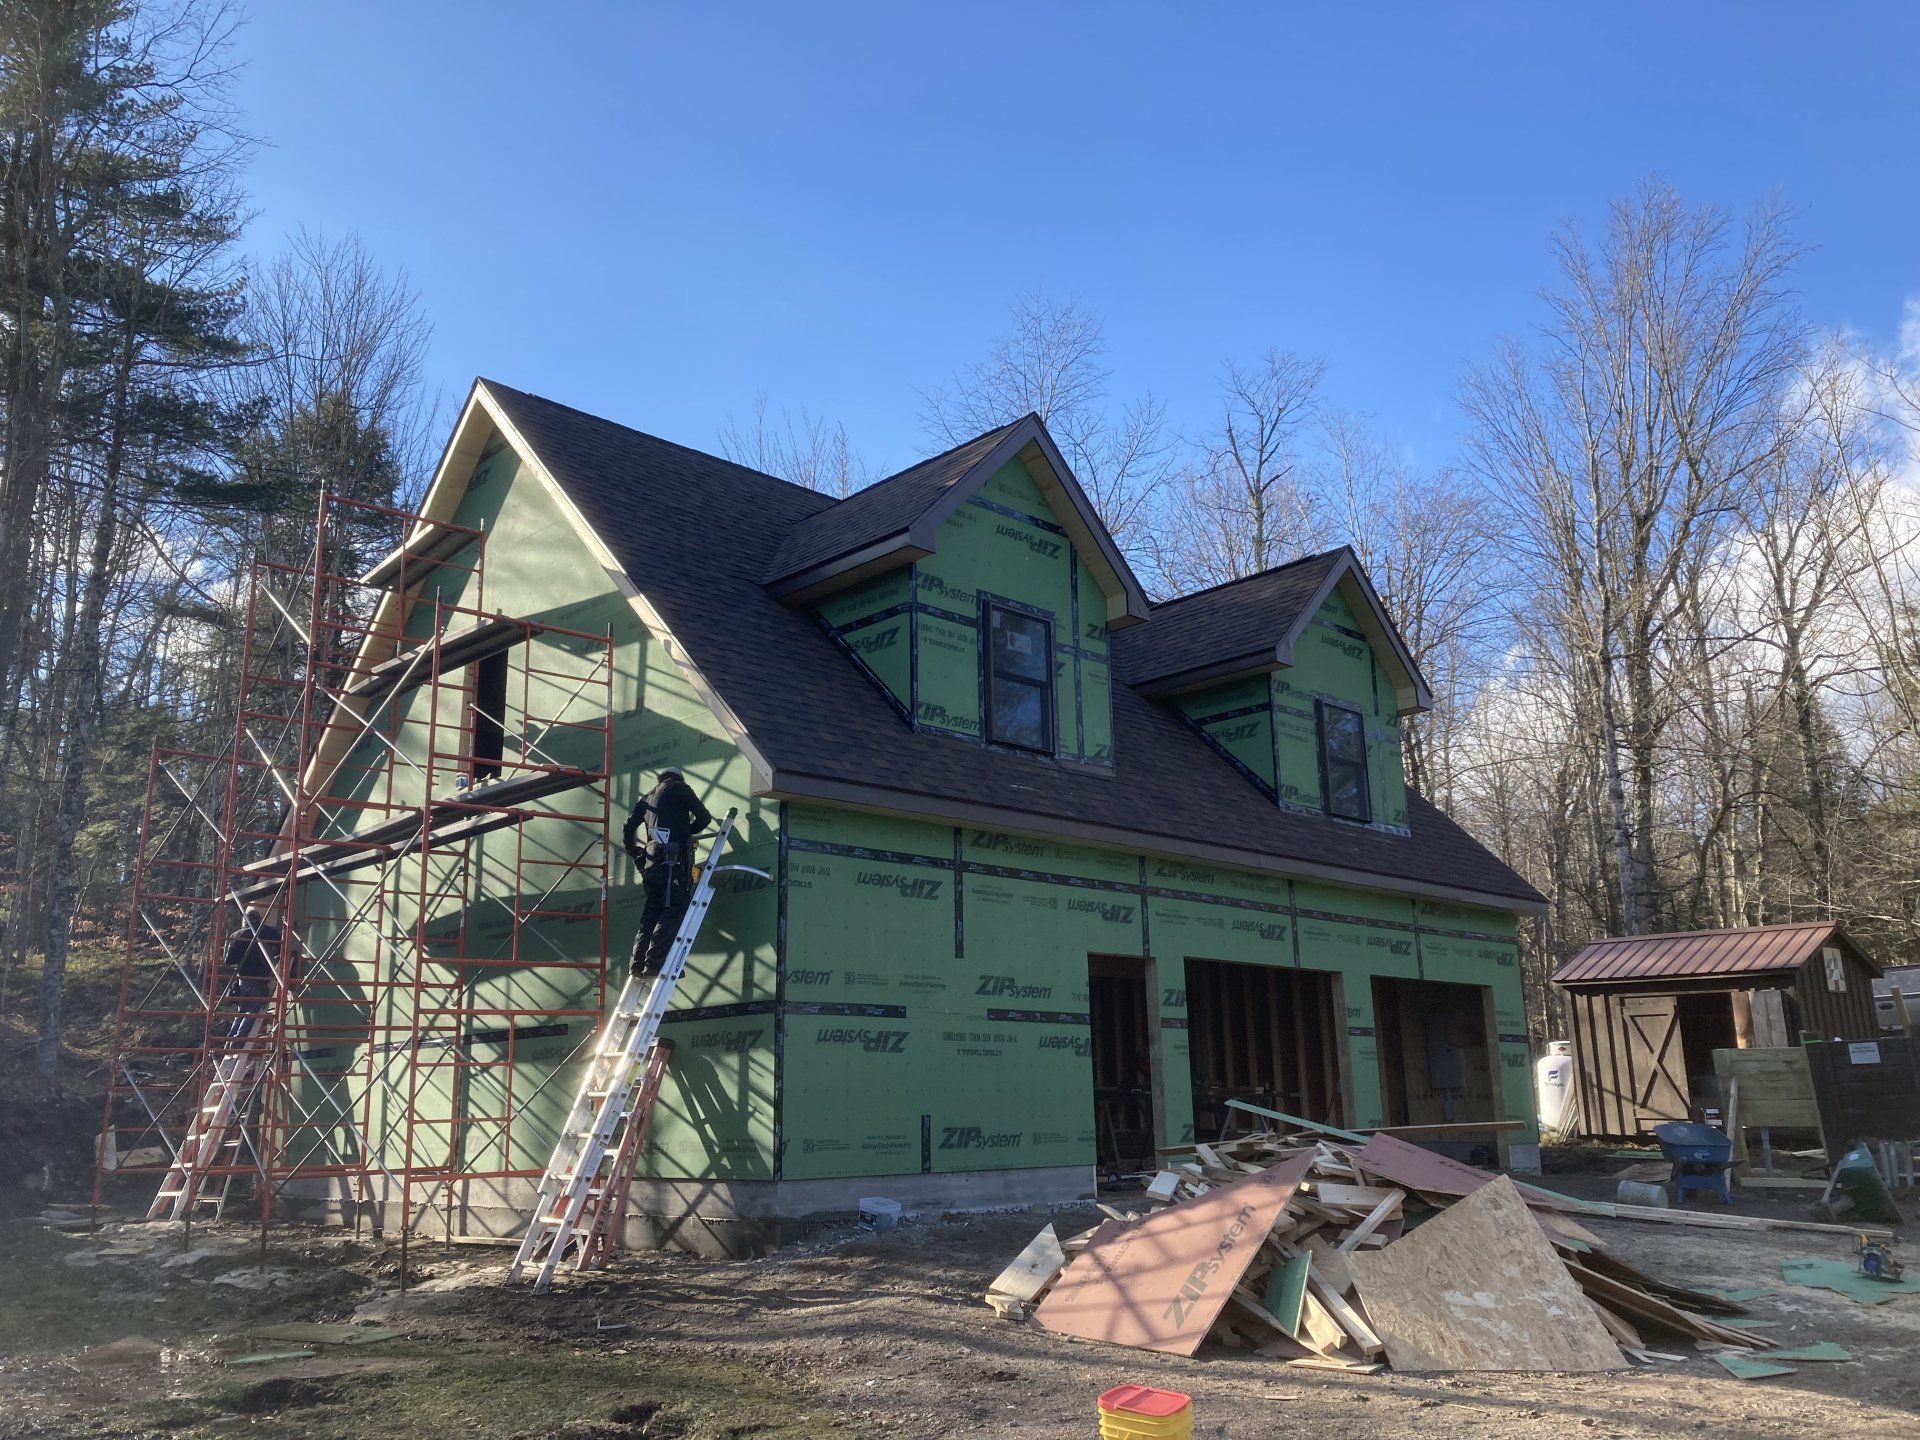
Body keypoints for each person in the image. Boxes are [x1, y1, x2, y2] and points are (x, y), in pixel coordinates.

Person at [621, 768, 714, 981]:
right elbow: (704, 817)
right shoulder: (680, 789)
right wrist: (685, 833)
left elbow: (628, 828)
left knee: (651, 912)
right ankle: (656, 964)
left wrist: (634, 851)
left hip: (651, 864)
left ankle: (636, 966)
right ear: (678, 778)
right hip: (672, 861)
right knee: (674, 908)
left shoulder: (647, 798)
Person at [222, 907, 283, 1039]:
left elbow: (228, 960)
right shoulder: (266, 931)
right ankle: (239, 1037)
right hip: (260, 976)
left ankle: (231, 1037)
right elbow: (282, 946)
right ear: (258, 920)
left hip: (243, 977)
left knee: (243, 1009)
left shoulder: (236, 935)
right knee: (253, 1008)